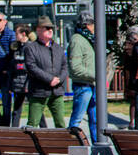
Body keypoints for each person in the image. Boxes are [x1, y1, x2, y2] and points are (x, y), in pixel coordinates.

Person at [24, 16, 68, 127]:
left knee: (61, 124)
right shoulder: (31, 48)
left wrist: (59, 79)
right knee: (32, 124)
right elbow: (31, 67)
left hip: (57, 91)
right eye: (46, 28)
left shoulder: (58, 48)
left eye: (51, 28)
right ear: (38, 30)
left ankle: (62, 143)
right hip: (39, 91)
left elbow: (65, 66)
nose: (50, 30)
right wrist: (49, 79)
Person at [68, 10, 100, 142]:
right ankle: (70, 146)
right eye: (93, 24)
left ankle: (98, 146)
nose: (95, 28)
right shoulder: (78, 40)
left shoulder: (88, 39)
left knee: (95, 121)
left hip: (91, 85)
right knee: (76, 120)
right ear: (87, 25)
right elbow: (75, 68)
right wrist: (96, 75)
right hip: (83, 86)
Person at [7, 22, 32, 126]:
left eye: (17, 33)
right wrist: (10, 84)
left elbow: (32, 68)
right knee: (16, 111)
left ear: (24, 34)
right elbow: (12, 66)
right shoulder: (15, 48)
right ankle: (14, 132)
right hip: (17, 84)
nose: (15, 36)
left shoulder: (31, 47)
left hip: (28, 84)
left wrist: (27, 85)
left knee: (35, 109)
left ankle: (43, 129)